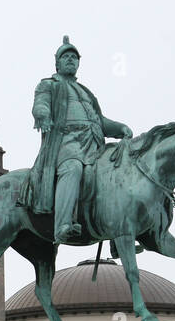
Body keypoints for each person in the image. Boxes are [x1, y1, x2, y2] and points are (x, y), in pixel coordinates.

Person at [29, 37, 133, 244]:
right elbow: (40, 105)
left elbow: (100, 121)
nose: (70, 60)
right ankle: (62, 225)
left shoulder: (86, 93)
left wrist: (120, 128)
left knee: (115, 174)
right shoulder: (48, 85)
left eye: (74, 57)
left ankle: (118, 236)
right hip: (66, 143)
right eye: (65, 57)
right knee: (73, 168)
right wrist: (43, 114)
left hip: (93, 144)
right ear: (57, 63)